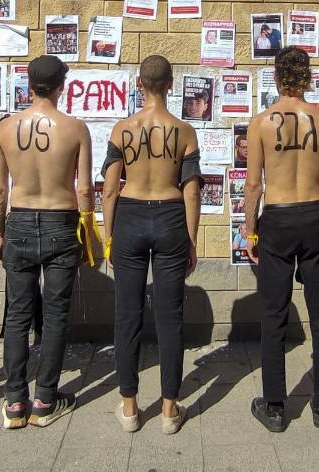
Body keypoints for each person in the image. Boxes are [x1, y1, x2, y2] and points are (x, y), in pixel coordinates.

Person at [243, 47, 319, 432]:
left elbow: (254, 184)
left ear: (276, 77)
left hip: (279, 216)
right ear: (307, 77)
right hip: (316, 212)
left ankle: (274, 406)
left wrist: (251, 229)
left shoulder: (261, 122)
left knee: (273, 313)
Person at [0, 55, 93, 430]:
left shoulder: (5, 129)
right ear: (61, 86)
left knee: (17, 315)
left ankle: (15, 401)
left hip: (19, 218)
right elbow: (84, 189)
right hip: (60, 219)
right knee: (55, 315)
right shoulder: (75, 128)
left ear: (29, 86)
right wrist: (88, 234)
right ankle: (46, 399)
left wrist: (0, 232)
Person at [101, 55, 201, 435]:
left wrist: (110, 237)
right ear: (171, 84)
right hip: (171, 216)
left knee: (127, 312)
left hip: (129, 214)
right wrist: (190, 240)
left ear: (139, 82)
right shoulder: (184, 131)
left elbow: (110, 188)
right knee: (169, 314)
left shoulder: (122, 129)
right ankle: (169, 409)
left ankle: (129, 407)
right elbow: (191, 193)